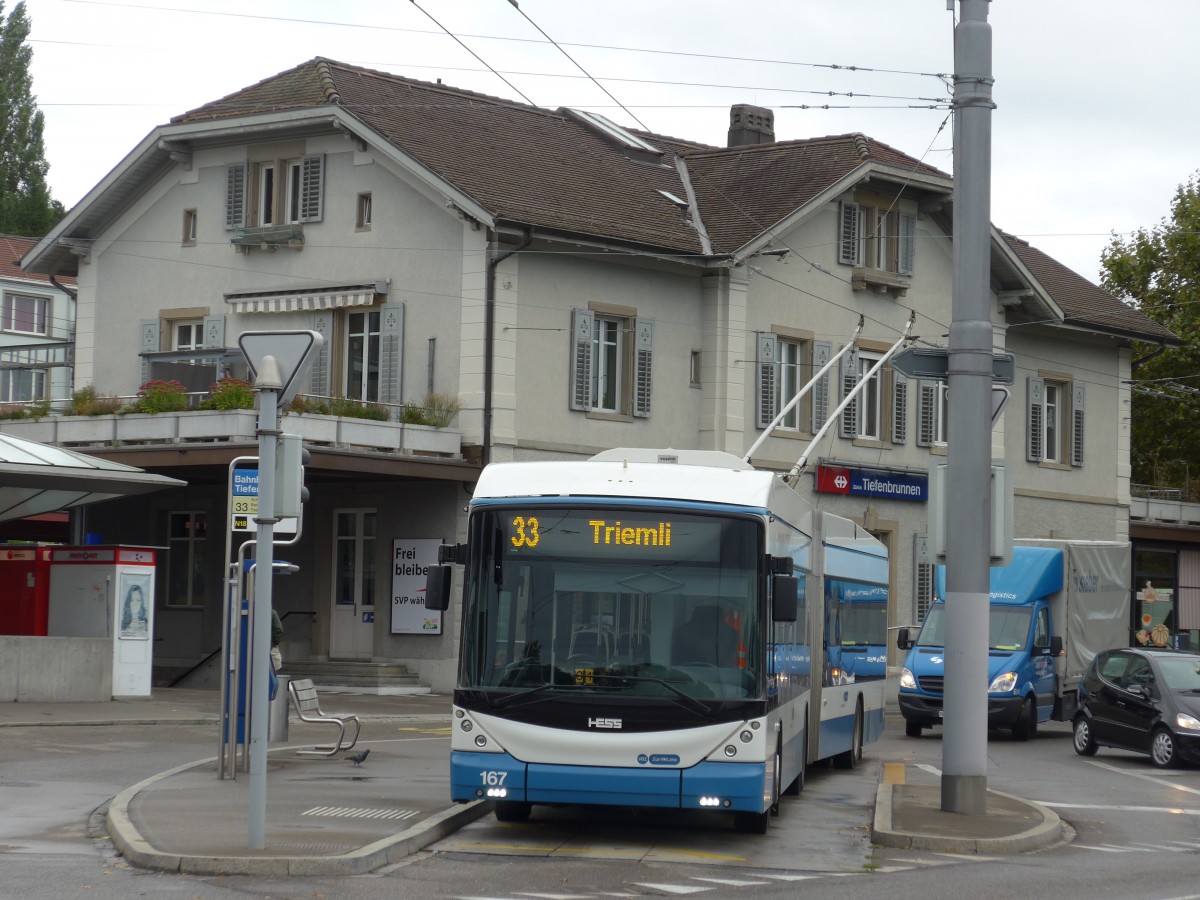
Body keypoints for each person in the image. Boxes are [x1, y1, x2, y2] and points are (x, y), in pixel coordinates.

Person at [271, 608, 284, 672]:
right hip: (270, 645)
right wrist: (275, 643)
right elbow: (278, 629)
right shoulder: (272, 613)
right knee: (275, 667)